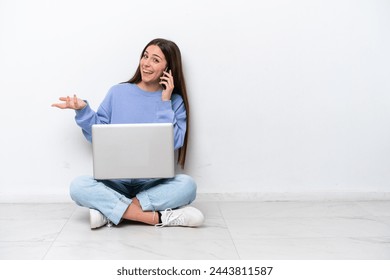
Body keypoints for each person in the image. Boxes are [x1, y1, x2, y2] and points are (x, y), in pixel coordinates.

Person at [52, 38, 204, 229]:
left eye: (155, 60)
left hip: (152, 185)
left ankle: (111, 212)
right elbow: (97, 135)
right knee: (78, 186)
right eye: (145, 56)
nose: (146, 63)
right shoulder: (117, 92)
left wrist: (165, 102)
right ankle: (157, 218)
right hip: (115, 184)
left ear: (169, 68)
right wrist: (83, 111)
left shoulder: (175, 101)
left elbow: (172, 143)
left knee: (187, 185)